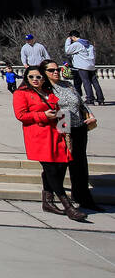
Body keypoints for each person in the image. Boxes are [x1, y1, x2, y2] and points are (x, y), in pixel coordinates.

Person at [13, 64, 84, 221]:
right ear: (26, 78)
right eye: (31, 77)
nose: (35, 79)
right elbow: (21, 115)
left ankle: (47, 201)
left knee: (58, 168)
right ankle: (68, 206)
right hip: (39, 137)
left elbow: (60, 111)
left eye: (38, 77)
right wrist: (43, 115)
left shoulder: (48, 92)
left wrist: (65, 131)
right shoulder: (21, 93)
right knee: (51, 169)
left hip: (56, 135)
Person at [42, 61, 101, 212]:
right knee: (61, 163)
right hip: (62, 122)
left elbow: (80, 102)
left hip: (79, 125)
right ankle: (53, 196)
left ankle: (83, 197)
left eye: (57, 69)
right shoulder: (44, 88)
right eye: (51, 70)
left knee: (80, 163)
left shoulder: (67, 84)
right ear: (44, 72)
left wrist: (91, 114)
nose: (56, 72)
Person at [64, 31, 105, 106]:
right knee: (95, 83)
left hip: (82, 66)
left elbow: (67, 51)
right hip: (91, 66)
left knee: (86, 82)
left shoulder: (77, 44)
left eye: (71, 38)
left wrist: (67, 41)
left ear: (73, 37)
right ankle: (101, 99)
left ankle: (90, 99)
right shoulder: (89, 45)